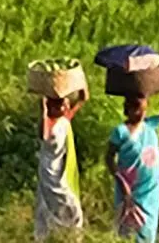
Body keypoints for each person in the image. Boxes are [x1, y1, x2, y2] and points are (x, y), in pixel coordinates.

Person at [105, 68, 159, 243]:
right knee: (128, 232)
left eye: (145, 108)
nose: (143, 112)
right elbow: (109, 158)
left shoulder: (150, 125)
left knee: (147, 231)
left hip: (150, 191)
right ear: (128, 109)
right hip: (130, 189)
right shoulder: (121, 132)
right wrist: (120, 180)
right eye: (138, 108)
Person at [34, 88, 89, 240]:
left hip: (60, 168)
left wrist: (78, 82)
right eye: (58, 105)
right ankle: (46, 235)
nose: (63, 108)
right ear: (50, 107)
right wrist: (43, 112)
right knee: (48, 203)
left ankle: (72, 234)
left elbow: (83, 98)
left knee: (72, 206)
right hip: (48, 170)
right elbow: (44, 135)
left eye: (64, 105)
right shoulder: (47, 123)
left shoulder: (64, 120)